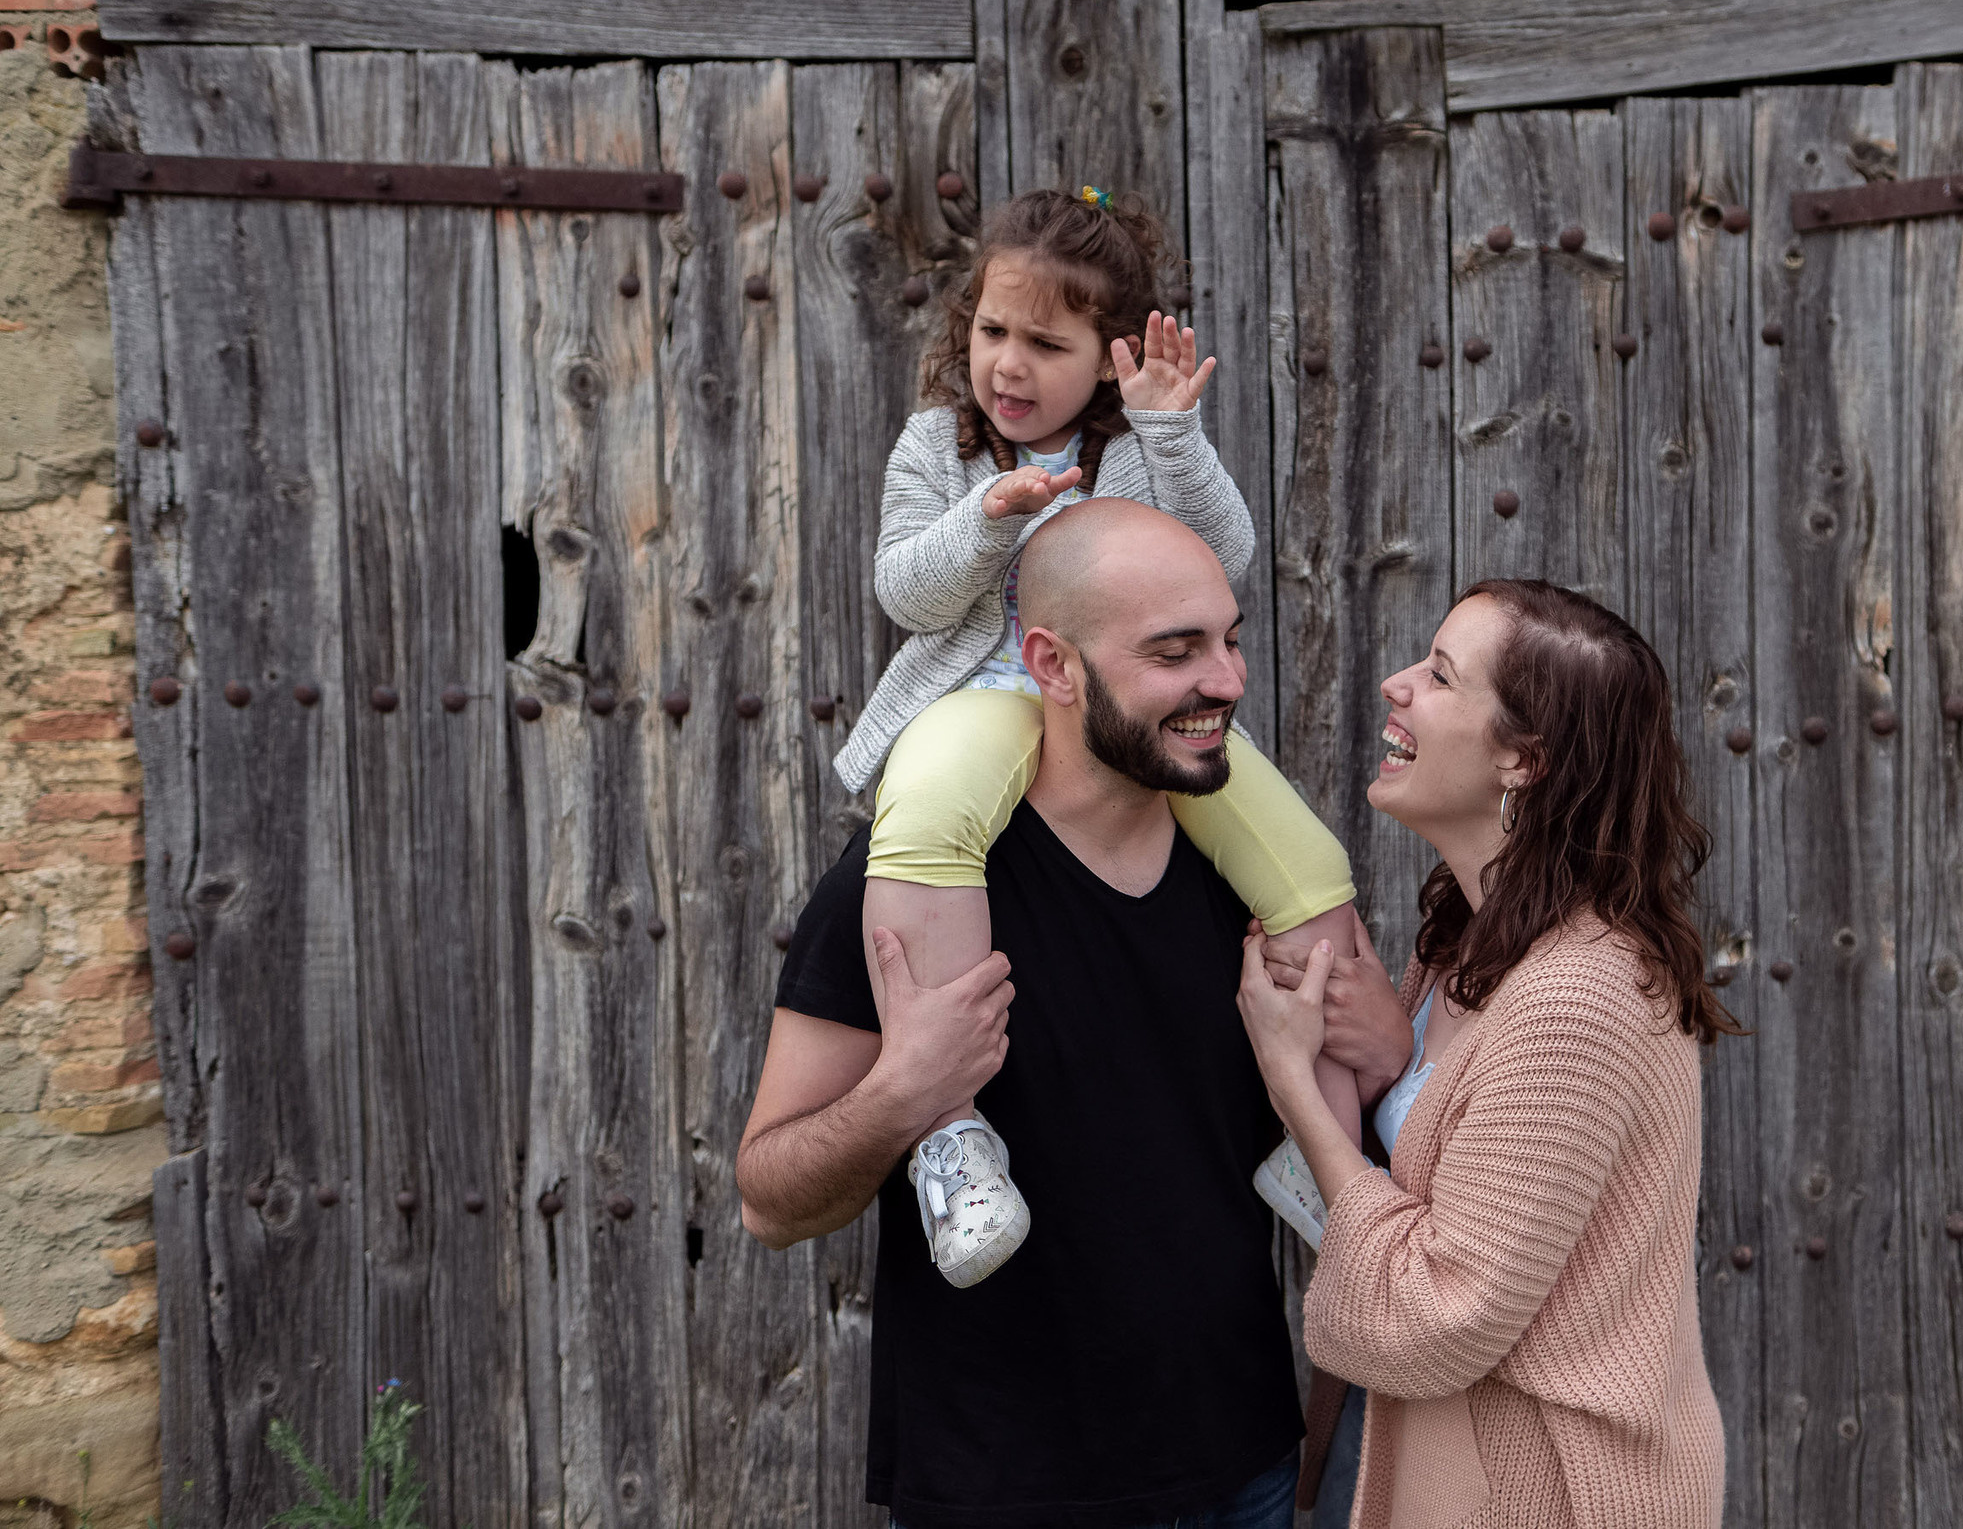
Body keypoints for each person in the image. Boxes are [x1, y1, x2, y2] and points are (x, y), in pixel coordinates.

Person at [738, 500, 1306, 1529]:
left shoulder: (1252, 887)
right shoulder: (901, 890)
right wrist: (904, 1093)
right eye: (1175, 651)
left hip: (1246, 1468)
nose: (1225, 680)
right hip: (1003, 1493)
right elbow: (770, 1202)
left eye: (1228, 641)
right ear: (1053, 665)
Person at [838, 185, 1367, 1286]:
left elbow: (1220, 556)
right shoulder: (938, 447)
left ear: (1109, 354)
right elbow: (905, 592)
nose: (1009, 365)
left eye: (1046, 341)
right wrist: (986, 524)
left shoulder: (1136, 448)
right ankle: (953, 1140)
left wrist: (1171, 432)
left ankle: (1322, 1140)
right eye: (992, 331)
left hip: (1128, 719)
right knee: (926, 809)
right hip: (983, 701)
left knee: (1308, 862)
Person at [1236, 578, 1737, 1528]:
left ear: (1523, 757)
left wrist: (1293, 1079)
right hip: (1422, 1452)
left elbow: (1440, 1309)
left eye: (1437, 675)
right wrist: (1390, 1067)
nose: (1395, 684)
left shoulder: (1578, 1000)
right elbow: (1461, 1183)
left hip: (1543, 1489)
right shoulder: (1469, 940)